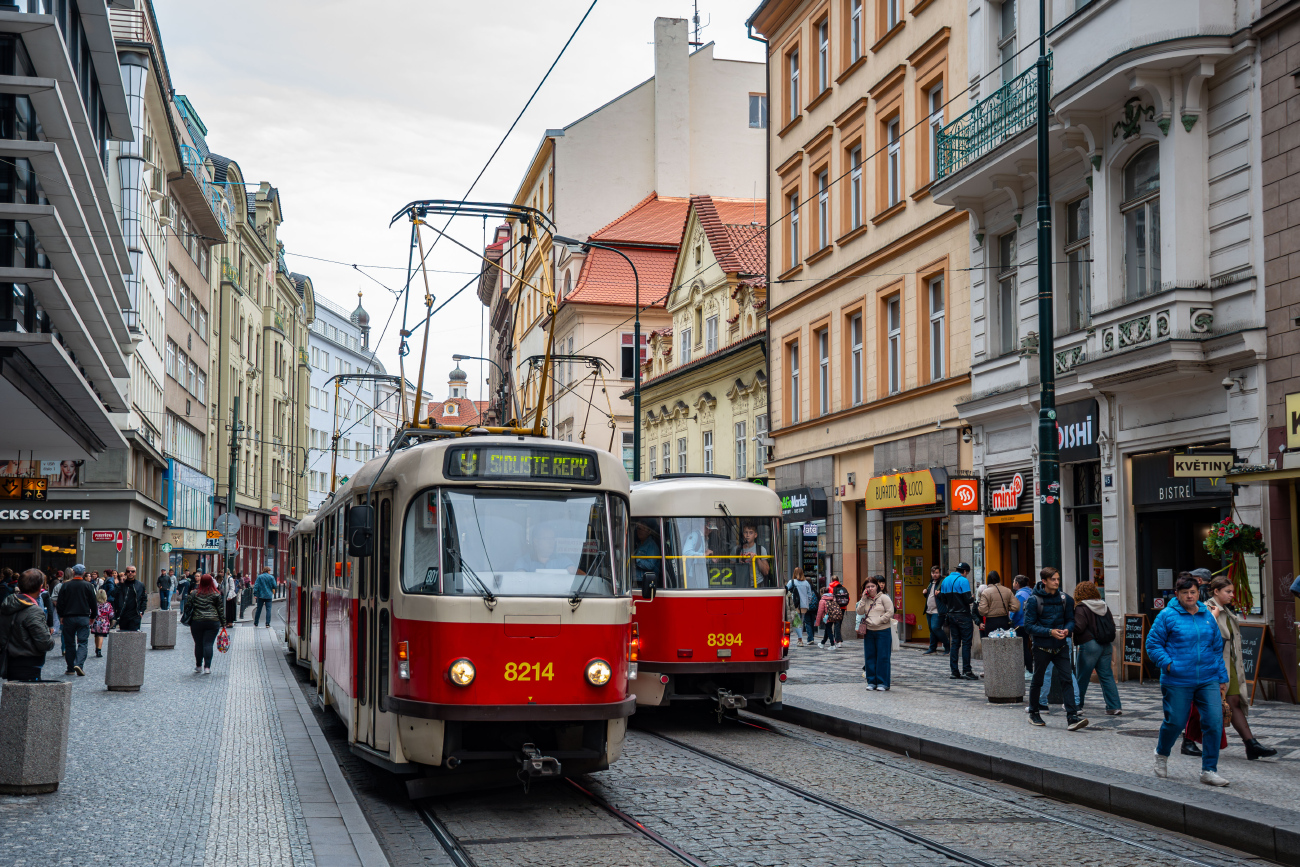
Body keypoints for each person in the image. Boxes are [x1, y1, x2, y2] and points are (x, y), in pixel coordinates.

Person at [1146, 575, 1230, 786]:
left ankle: (1209, 770)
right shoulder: (1167, 615)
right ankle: (1161, 753)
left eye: (1193, 592)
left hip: (1208, 678)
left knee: (1213, 721)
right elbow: (1153, 645)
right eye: (1185, 593)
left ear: (1198, 593)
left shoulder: (1207, 615)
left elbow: (1216, 648)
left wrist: (1222, 677)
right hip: (1178, 679)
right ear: (1177, 594)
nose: (1190, 596)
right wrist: (1169, 664)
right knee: (1175, 721)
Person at [1205, 576, 1278, 760]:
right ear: (1216, 591)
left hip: (1230, 665)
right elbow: (1204, 636)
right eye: (1227, 591)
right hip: (1214, 666)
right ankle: (1187, 739)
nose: (1232, 595)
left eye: (1232, 591)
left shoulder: (1227, 612)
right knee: (1205, 706)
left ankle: (1251, 744)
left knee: (1234, 702)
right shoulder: (1208, 610)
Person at [1024, 567, 1088, 731]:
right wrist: (1049, 632)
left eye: (1058, 579)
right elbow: (1029, 626)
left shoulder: (1065, 599)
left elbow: (1070, 620)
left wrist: (1068, 630)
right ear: (1044, 581)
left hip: (1061, 647)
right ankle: (1034, 712)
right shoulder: (1034, 600)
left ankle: (1072, 717)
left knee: (1067, 679)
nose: (1057, 582)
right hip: (1041, 647)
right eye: (1053, 579)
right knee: (1037, 680)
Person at [1073, 580, 1122, 716]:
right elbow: (1111, 625)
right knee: (1107, 676)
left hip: (1089, 645)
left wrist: (1069, 624)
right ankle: (1114, 706)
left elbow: (1079, 627)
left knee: (1082, 677)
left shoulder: (1081, 607)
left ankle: (1076, 705)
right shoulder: (1104, 606)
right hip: (1106, 645)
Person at [0, 569, 56, 681]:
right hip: (29, 662)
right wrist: (50, 637)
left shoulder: (8, 604)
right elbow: (44, 643)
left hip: (10, 659)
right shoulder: (33, 610)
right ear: (40, 588)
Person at [55, 563, 96, 676]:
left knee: (70, 643)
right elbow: (93, 603)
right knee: (83, 642)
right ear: (83, 573)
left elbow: (60, 603)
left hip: (69, 618)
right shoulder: (88, 586)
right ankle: (79, 664)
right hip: (83, 617)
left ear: (73, 573)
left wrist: (61, 616)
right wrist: (93, 617)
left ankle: (70, 668)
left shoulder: (66, 585)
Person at [938, 562, 978, 680]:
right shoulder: (963, 581)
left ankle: (954, 671)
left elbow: (942, 598)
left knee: (955, 643)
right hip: (963, 615)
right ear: (965, 571)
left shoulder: (945, 580)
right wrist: (973, 597)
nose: (967, 575)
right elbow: (967, 600)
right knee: (966, 643)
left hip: (951, 615)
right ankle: (967, 670)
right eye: (967, 573)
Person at [857, 575, 895, 690]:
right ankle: (871, 681)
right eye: (868, 586)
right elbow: (859, 611)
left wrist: (880, 620)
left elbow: (890, 612)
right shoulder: (865, 599)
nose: (870, 588)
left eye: (872, 586)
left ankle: (883, 683)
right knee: (870, 657)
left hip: (883, 631)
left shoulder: (883, 598)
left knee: (883, 657)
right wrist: (863, 598)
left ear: (877, 586)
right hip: (869, 632)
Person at [184, 574, 225, 675]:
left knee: (198, 644)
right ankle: (207, 667)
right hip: (212, 621)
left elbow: (187, 606)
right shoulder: (216, 594)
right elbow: (220, 610)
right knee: (208, 644)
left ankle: (198, 666)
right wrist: (223, 623)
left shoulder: (194, 593)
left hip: (197, 621)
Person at [922, 566, 948, 655]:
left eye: (936, 573)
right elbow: (931, 596)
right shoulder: (931, 583)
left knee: (935, 628)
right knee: (932, 630)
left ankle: (947, 646)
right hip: (929, 610)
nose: (935, 575)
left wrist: (940, 594)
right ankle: (932, 648)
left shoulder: (942, 582)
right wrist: (925, 593)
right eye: (933, 573)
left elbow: (946, 597)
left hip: (938, 610)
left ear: (940, 573)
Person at [1011, 575, 1034, 673]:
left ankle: (1028, 670)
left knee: (1023, 648)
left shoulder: (1020, 595)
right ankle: (1028, 669)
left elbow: (1017, 610)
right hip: (1028, 622)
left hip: (1020, 623)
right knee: (1026, 647)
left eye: (1014, 581)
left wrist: (1012, 620)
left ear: (1017, 583)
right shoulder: (1030, 592)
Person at [786, 567, 814, 646]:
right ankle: (799, 639)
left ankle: (800, 640)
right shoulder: (806, 583)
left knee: (797, 622)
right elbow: (810, 595)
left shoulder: (792, 582)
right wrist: (807, 602)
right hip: (804, 605)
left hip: (795, 604)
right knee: (801, 622)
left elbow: (785, 589)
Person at [115, 567, 147, 632]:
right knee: (123, 636)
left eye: (132, 571)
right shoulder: (121, 585)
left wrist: (141, 611)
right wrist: (120, 583)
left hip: (135, 614)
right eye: (128, 571)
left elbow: (144, 599)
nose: (130, 573)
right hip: (123, 615)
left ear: (135, 573)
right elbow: (115, 597)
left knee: (134, 636)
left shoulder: (140, 585)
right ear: (126, 573)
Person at [814, 582, 843, 649]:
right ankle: (822, 643)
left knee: (829, 630)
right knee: (827, 630)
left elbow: (819, 612)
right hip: (833, 616)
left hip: (826, 617)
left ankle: (832, 644)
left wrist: (817, 622)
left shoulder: (822, 600)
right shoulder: (833, 598)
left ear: (822, 593)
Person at [90, 589, 113, 656]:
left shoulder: (94, 604)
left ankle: (97, 648)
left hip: (96, 621)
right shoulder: (108, 605)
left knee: (96, 635)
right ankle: (99, 649)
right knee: (101, 635)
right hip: (104, 622)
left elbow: (90, 612)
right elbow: (111, 614)